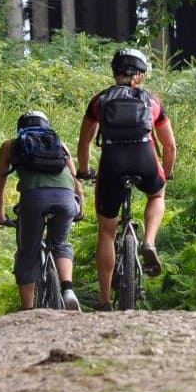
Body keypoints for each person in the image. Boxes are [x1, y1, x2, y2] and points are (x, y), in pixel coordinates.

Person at [76, 47, 177, 309]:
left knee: (107, 232)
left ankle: (104, 300)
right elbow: (169, 146)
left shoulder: (99, 100)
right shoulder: (152, 102)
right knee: (157, 194)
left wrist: (85, 169)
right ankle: (149, 241)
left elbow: (85, 141)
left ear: (114, 73)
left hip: (112, 161)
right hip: (144, 156)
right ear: (141, 76)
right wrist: (166, 172)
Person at [0, 110, 83, 311]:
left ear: (20, 128)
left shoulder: (10, 145)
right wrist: (79, 209)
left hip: (34, 199)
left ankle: (28, 310)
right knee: (60, 243)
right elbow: (77, 184)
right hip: (66, 198)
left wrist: (0, 216)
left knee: (28, 252)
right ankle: (68, 289)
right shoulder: (59, 143)